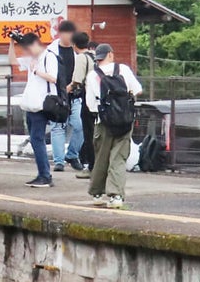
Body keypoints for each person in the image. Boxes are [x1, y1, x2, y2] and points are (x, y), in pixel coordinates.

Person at [85, 41, 143, 208]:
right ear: (110, 54)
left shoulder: (92, 75)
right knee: (118, 158)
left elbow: (90, 104)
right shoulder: (122, 69)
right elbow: (137, 89)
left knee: (101, 158)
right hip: (124, 120)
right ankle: (115, 196)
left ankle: (97, 193)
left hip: (103, 121)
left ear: (98, 58)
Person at [19, 31, 60, 188]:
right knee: (36, 139)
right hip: (31, 104)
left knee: (37, 139)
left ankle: (45, 175)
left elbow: (54, 78)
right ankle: (42, 174)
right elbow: (11, 60)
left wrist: (36, 71)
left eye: (28, 49)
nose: (27, 53)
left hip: (42, 105)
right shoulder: (33, 59)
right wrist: (12, 42)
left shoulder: (49, 56)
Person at [48, 22, 80, 171]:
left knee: (79, 125)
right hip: (57, 95)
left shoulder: (78, 51)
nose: (68, 36)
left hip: (75, 94)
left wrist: (72, 86)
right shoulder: (51, 51)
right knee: (57, 127)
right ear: (60, 33)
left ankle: (72, 155)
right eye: (65, 33)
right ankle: (59, 161)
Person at [64, 37, 95, 172]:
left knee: (85, 129)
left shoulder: (82, 58)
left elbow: (77, 80)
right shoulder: (95, 56)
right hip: (99, 99)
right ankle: (87, 160)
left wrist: (64, 91)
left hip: (86, 99)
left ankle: (90, 164)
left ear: (74, 45)